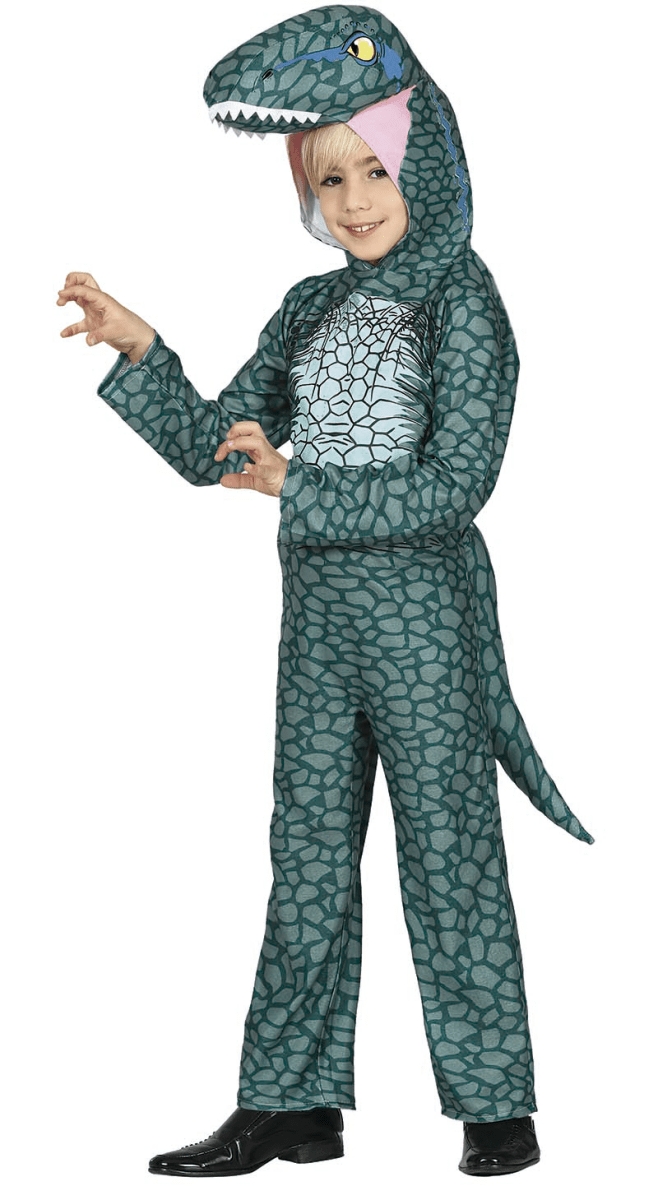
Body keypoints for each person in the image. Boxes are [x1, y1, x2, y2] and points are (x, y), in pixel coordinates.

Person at [57, 4, 594, 1179]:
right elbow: (218, 449)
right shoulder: (309, 308)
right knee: (303, 862)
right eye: (327, 177)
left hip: (425, 620)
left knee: (448, 857)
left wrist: (296, 485)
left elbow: (456, 484)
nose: (351, 200)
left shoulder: (462, 301)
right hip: (317, 627)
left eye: (374, 170)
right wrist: (142, 350)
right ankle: (291, 1103)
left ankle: (495, 1109)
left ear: (423, 161)